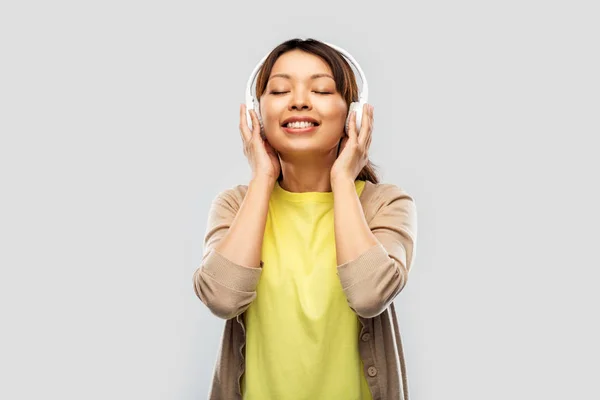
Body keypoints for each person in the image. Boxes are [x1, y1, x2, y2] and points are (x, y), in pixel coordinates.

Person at [193, 38, 418, 400]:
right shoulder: (236, 205)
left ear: (354, 113)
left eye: (322, 89)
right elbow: (221, 298)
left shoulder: (386, 204)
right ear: (256, 112)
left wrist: (343, 179)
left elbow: (368, 295)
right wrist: (262, 177)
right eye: (280, 89)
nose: (299, 100)